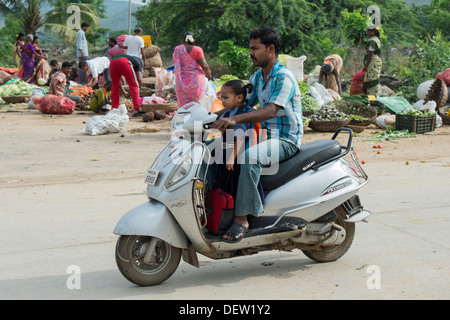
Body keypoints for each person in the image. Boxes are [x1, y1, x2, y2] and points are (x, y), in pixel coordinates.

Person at [212, 28, 303, 243]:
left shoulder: (284, 77)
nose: (250, 52)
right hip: (262, 135)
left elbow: (271, 110)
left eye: (255, 48)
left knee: (249, 158)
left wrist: (234, 120)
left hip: (284, 139)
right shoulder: (256, 77)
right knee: (215, 150)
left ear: (270, 49)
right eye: (250, 48)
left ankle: (242, 218)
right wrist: (207, 117)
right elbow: (241, 102)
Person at [173, 31, 212, 108]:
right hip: (196, 81)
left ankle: (185, 118)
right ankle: (196, 118)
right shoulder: (198, 50)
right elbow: (204, 65)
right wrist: (208, 73)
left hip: (182, 81)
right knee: (197, 103)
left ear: (183, 40)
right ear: (194, 40)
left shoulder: (177, 49)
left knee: (184, 104)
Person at [363, 25, 382, 96]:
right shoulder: (377, 39)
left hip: (373, 63)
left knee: (371, 81)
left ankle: (373, 99)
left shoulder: (372, 41)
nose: (367, 34)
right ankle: (376, 97)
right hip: (376, 62)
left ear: (373, 32)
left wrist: (366, 66)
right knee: (375, 79)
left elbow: (370, 55)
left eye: (368, 32)